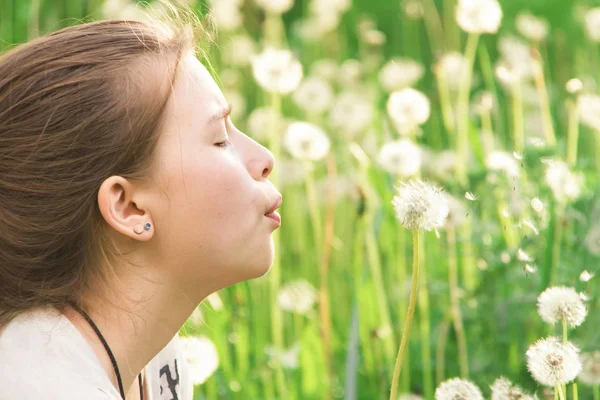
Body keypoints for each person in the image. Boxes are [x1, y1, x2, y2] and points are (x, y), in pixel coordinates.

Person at [0, 6, 282, 400]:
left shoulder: (154, 364)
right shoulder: (39, 385)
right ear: (128, 207)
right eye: (220, 139)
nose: (264, 159)